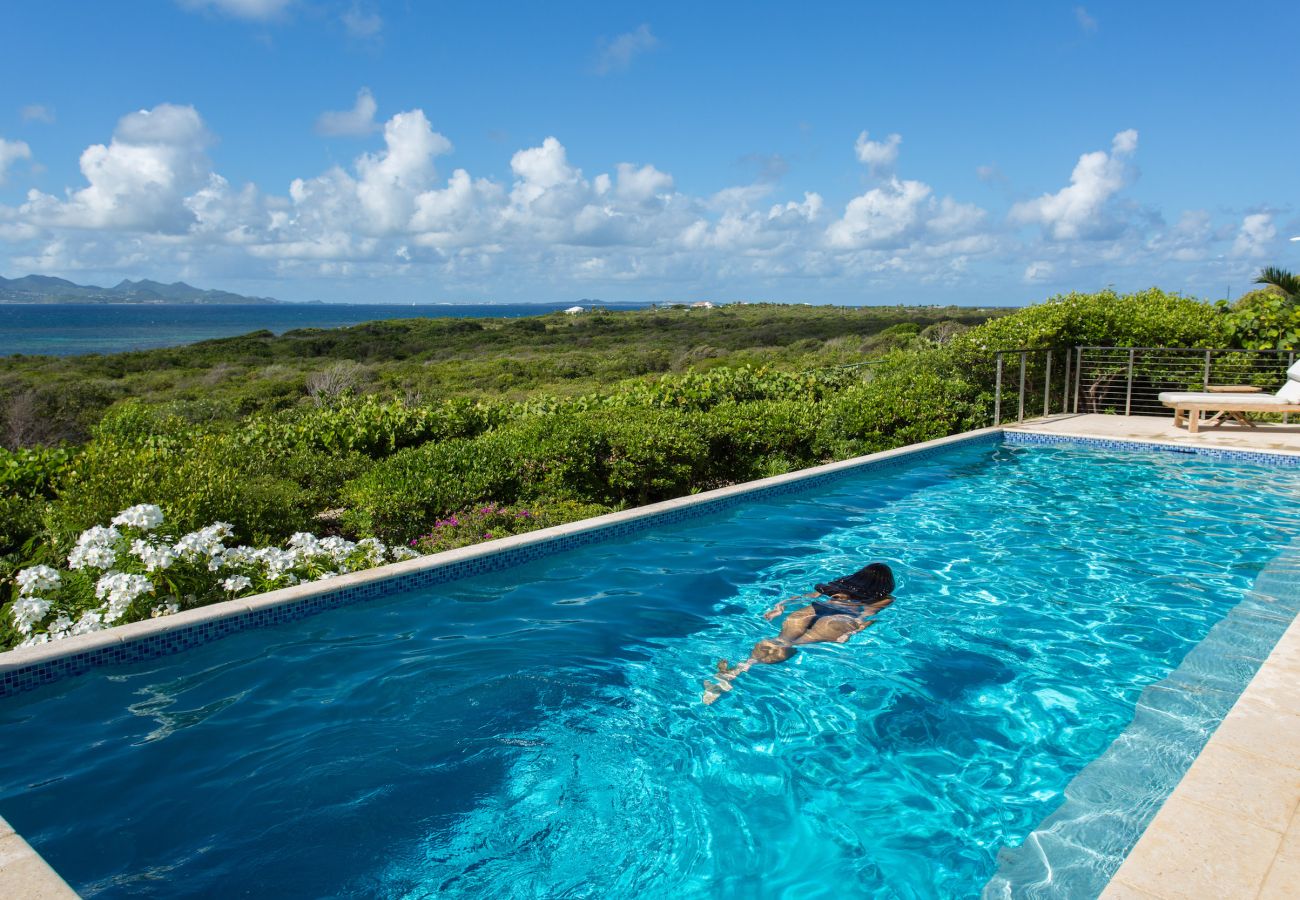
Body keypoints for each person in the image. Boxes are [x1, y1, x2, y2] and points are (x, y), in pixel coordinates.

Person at [702, 563, 895, 705]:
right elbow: (866, 616)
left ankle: (735, 671)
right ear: (885, 585)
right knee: (791, 645)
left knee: (780, 640)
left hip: (813, 609)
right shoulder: (884, 599)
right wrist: (852, 631)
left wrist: (779, 607)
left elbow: (803, 597)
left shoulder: (838, 585)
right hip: (839, 618)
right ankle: (733, 677)